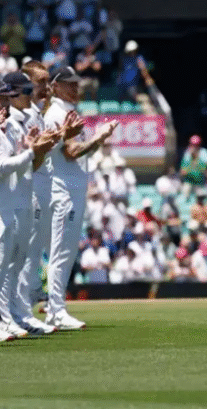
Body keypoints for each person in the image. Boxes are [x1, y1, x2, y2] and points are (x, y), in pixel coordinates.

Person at [44, 66, 117, 330]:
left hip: (73, 188)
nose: (75, 88)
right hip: (63, 189)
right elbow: (71, 152)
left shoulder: (67, 112)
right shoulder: (56, 113)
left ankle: (56, 308)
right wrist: (99, 138)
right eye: (69, 84)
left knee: (66, 251)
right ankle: (55, 311)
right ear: (56, 86)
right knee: (61, 252)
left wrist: (98, 139)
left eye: (76, 83)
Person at [0, 72, 58, 336]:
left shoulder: (16, 123)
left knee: (17, 261)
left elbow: (29, 165)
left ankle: (17, 314)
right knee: (6, 263)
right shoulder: (8, 122)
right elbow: (5, 165)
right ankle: (5, 318)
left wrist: (36, 149)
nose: (27, 96)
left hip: (22, 199)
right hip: (8, 202)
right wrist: (32, 150)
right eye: (21, 92)